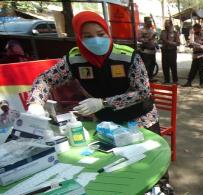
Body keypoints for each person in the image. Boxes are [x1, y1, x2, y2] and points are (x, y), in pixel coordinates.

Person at [27, 11, 160, 134]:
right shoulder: (75, 59)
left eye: (101, 34)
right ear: (79, 37)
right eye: (88, 36)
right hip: (106, 123)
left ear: (107, 32)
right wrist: (35, 103)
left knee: (151, 157)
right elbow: (45, 79)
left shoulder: (127, 56)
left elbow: (143, 92)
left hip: (140, 119)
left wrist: (103, 103)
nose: (96, 40)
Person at [182, 23, 203, 88]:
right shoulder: (193, 35)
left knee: (201, 70)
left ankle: (201, 84)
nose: (194, 30)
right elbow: (191, 44)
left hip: (202, 55)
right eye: (194, 29)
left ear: (199, 29)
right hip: (195, 55)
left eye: (195, 29)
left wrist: (196, 45)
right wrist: (190, 45)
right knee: (192, 70)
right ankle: (189, 82)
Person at [160, 19, 180, 84]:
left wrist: (169, 42)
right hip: (164, 51)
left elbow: (178, 43)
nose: (166, 25)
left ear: (171, 24)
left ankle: (175, 80)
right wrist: (160, 42)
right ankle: (166, 80)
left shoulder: (175, 33)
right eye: (165, 23)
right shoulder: (163, 32)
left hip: (172, 51)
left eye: (167, 23)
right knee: (165, 66)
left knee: (173, 66)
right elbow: (160, 40)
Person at [139, 17, 158, 81]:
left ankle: (151, 77)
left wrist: (156, 44)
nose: (150, 23)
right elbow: (139, 39)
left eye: (151, 21)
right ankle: (145, 79)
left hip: (152, 50)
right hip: (145, 51)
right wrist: (149, 39)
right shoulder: (142, 30)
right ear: (145, 22)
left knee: (152, 64)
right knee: (146, 65)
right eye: (149, 21)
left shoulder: (152, 30)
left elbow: (154, 40)